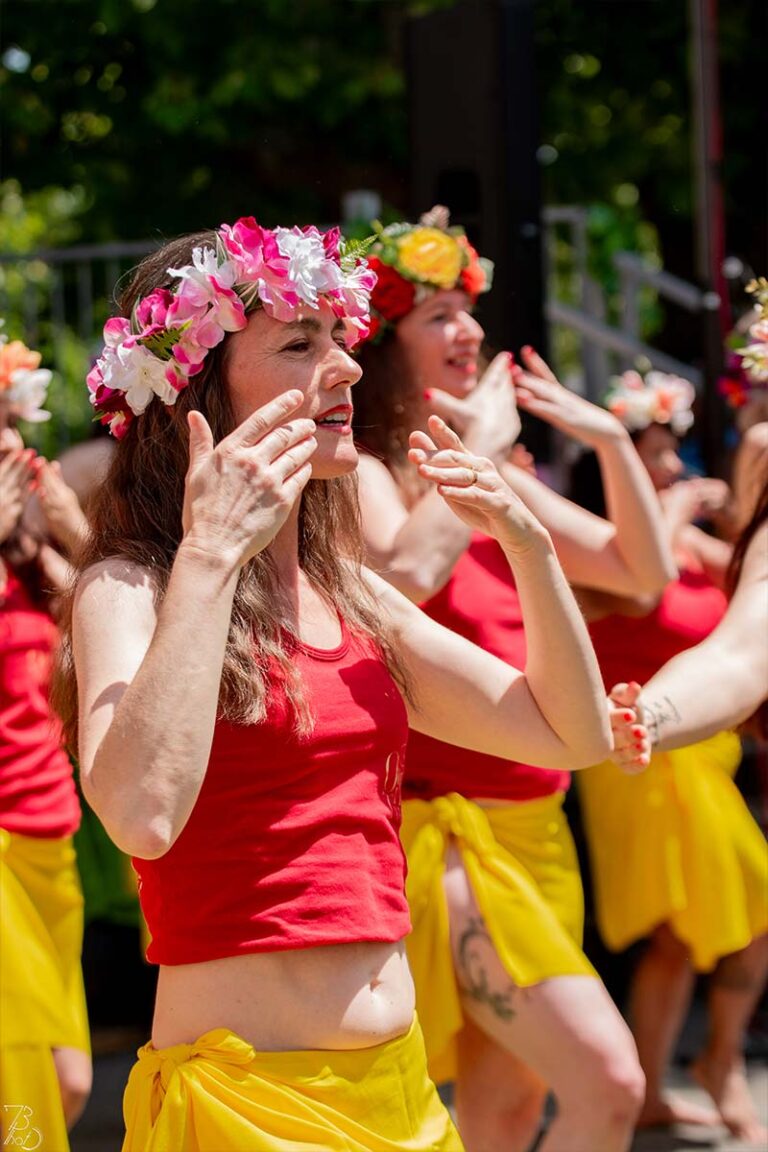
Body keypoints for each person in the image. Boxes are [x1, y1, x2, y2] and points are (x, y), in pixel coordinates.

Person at [52, 217, 640, 1151]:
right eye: (298, 343)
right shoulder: (129, 587)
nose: (348, 368)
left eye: (341, 338)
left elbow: (569, 735)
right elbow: (141, 814)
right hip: (249, 1108)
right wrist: (210, 553)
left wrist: (527, 546)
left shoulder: (348, 589)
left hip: (402, 1099)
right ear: (195, 389)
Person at [352, 209, 674, 1152]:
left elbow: (638, 571)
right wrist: (485, 455)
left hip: (540, 833)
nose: (470, 332)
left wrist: (611, 443)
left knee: (507, 1113)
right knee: (610, 1085)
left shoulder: (481, 463)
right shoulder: (366, 470)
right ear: (383, 346)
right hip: (448, 839)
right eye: (439, 315)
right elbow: (403, 576)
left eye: (468, 311)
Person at [573, 368, 768, 1144]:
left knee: (747, 912)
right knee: (678, 932)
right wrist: (677, 507)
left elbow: (748, 608)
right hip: (637, 745)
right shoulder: (603, 548)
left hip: (705, 749)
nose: (669, 467)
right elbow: (643, 593)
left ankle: (712, 1062)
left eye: (670, 455)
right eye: (651, 456)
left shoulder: (685, 539)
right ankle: (659, 1084)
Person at [0, 330, 92, 1150]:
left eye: (8, 418)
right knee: (29, 1088)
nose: (5, 440)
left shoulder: (25, 554)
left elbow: (109, 639)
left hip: (46, 836)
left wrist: (73, 535)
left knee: (69, 1083)